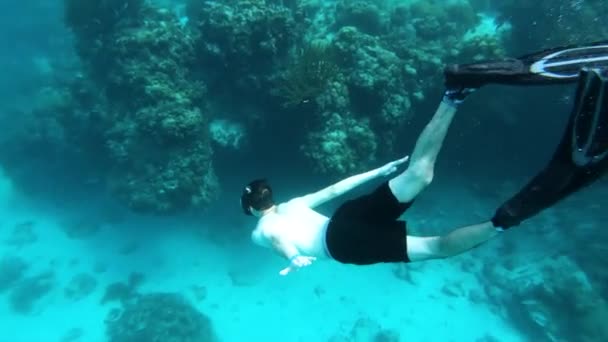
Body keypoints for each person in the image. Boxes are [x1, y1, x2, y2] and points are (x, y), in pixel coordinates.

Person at [240, 41, 608, 276]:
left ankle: (502, 222)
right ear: (269, 197)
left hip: (342, 245)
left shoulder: (261, 229)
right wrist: (380, 170)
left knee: (437, 247)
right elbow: (339, 186)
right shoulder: (292, 204)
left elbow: (275, 240)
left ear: (251, 209)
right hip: (345, 217)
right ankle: (454, 94)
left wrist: (293, 259)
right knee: (420, 173)